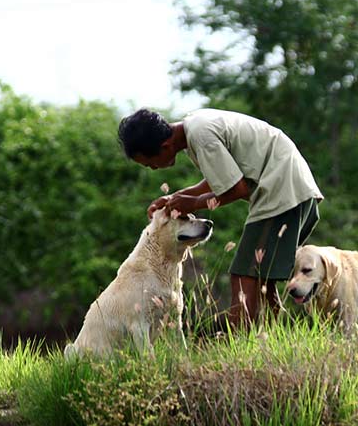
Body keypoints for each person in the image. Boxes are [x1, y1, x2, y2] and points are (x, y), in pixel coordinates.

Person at [117, 108, 323, 330]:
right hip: (294, 189)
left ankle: (235, 344)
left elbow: (237, 189)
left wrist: (193, 204)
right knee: (261, 280)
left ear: (164, 147)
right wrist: (176, 197)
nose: (154, 168)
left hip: (282, 193)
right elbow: (224, 177)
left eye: (150, 163)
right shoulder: (194, 127)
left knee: (243, 277)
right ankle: (270, 343)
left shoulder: (200, 135)